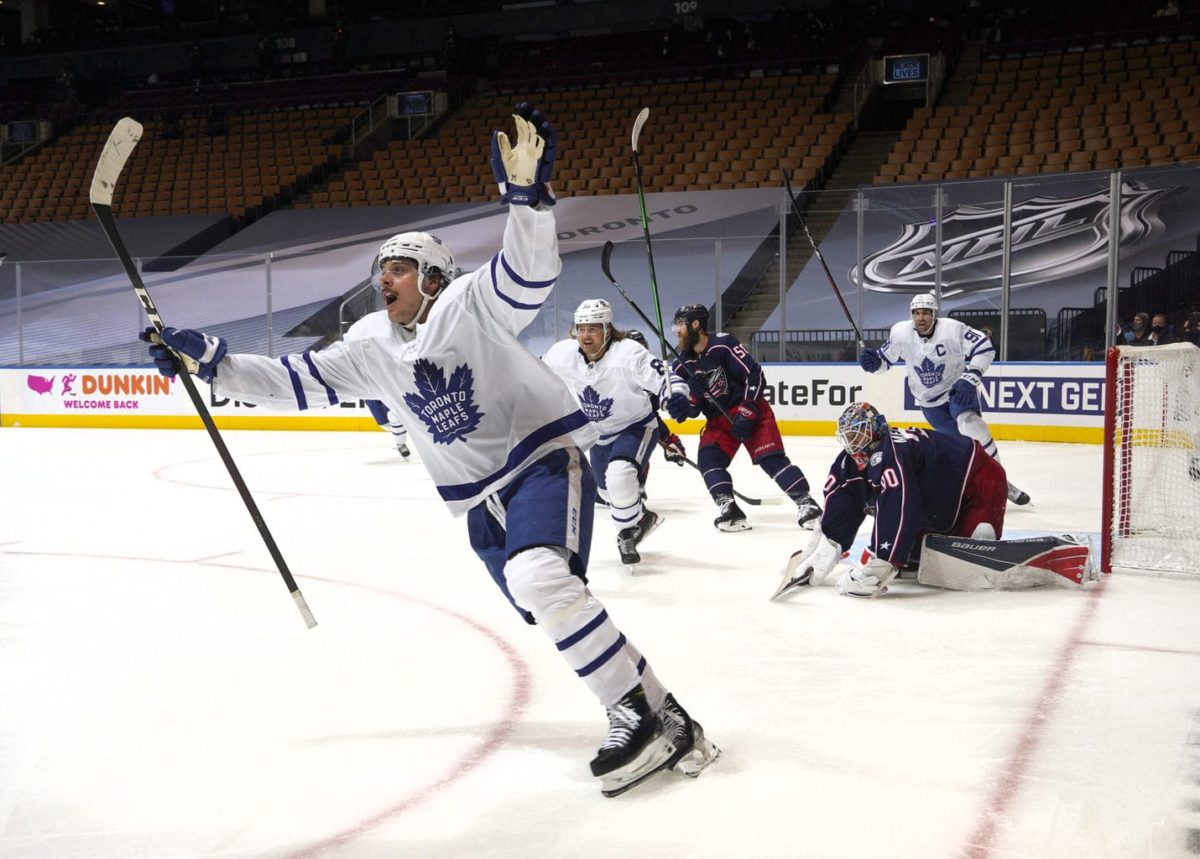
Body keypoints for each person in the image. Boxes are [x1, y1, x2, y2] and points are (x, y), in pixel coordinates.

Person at [140, 103, 718, 797]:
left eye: (401, 268)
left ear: (435, 278)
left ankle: (631, 712)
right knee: (550, 602)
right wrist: (210, 361)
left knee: (541, 579)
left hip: (537, 462)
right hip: (475, 504)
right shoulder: (369, 345)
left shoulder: (468, 304)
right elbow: (292, 382)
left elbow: (528, 275)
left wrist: (528, 202)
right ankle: (667, 711)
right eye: (381, 268)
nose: (384, 277)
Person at [773, 402, 1096, 599]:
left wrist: (884, 562)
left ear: (874, 432)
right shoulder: (853, 460)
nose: (852, 445)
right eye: (847, 438)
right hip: (940, 499)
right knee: (920, 558)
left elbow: (901, 503)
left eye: (858, 436)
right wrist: (829, 545)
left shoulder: (891, 452)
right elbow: (843, 498)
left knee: (979, 548)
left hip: (980, 479)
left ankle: (1062, 550)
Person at [858, 293, 1031, 506]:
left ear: (934, 314)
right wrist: (873, 364)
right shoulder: (900, 333)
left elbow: (984, 347)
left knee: (971, 425)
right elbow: (884, 362)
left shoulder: (952, 329)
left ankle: (1001, 483)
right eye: (917, 313)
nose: (921, 317)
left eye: (926, 313)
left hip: (957, 389)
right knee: (960, 447)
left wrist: (970, 378)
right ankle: (973, 485)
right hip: (929, 402)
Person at [665, 303, 822, 532]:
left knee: (770, 459)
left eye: (680, 324)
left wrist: (748, 410)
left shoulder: (724, 344)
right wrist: (688, 401)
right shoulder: (681, 365)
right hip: (718, 421)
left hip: (750, 408)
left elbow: (754, 375)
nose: (676, 330)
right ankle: (729, 509)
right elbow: (691, 411)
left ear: (696, 324)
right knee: (709, 459)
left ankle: (807, 505)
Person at [542, 299, 668, 567]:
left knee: (620, 476)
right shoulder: (562, 354)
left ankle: (626, 535)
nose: (585, 336)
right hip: (598, 433)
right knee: (608, 491)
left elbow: (665, 379)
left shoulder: (629, 353)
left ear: (607, 329)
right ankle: (640, 519)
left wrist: (675, 394)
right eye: (580, 328)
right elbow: (534, 374)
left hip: (635, 426)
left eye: (593, 329)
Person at [343, 309, 410, 458]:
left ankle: (401, 443)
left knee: (395, 414)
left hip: (388, 388)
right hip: (378, 393)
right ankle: (400, 442)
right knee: (390, 418)